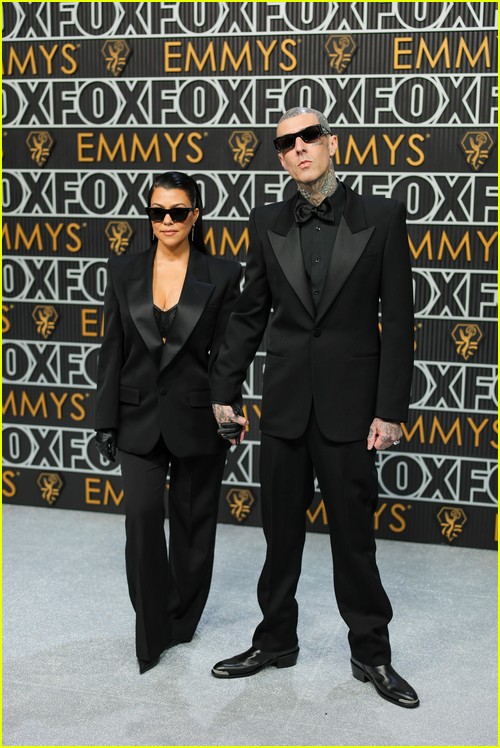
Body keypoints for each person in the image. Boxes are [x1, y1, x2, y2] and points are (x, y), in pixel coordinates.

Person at [210, 108, 419, 708]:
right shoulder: (268, 220)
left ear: (331, 142)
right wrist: (224, 390)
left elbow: (400, 322)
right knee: (279, 537)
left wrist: (390, 410)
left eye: (308, 137)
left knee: (354, 539)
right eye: (285, 143)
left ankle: (371, 653)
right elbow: (251, 314)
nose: (298, 148)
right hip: (284, 407)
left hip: (352, 411)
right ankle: (276, 640)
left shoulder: (379, 216)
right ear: (280, 157)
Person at [94, 171, 241, 674]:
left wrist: (228, 408)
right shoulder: (123, 270)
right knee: (140, 522)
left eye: (179, 211)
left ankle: (181, 619)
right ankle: (151, 622)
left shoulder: (222, 274)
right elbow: (111, 348)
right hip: (135, 417)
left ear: (195, 215)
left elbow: (226, 354)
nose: (168, 221)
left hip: (198, 417)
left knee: (194, 527)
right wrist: (104, 421)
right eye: (158, 212)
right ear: (149, 216)